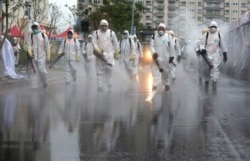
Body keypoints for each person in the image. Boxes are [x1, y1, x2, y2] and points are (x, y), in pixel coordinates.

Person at [92, 19, 119, 91]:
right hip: (100, 55)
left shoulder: (111, 33)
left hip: (109, 55)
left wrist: (117, 52)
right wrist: (97, 49)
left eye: (105, 26)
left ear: (108, 26)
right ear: (100, 26)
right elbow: (94, 42)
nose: (104, 27)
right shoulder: (96, 33)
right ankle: (100, 86)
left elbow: (116, 43)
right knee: (99, 71)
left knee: (109, 70)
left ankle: (109, 83)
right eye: (102, 26)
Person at [200, 21, 227, 91]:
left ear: (217, 27)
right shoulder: (205, 35)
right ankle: (206, 82)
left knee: (215, 69)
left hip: (216, 55)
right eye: (212, 26)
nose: (213, 28)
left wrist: (225, 54)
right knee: (206, 69)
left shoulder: (219, 35)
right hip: (207, 55)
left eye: (215, 27)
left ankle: (214, 83)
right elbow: (202, 44)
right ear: (209, 27)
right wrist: (202, 49)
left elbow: (223, 45)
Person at [150, 23, 175, 91]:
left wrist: (171, 56)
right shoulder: (154, 36)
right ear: (158, 29)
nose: (161, 30)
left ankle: (166, 83)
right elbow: (151, 46)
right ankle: (155, 84)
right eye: (159, 29)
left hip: (165, 57)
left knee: (165, 72)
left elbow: (172, 47)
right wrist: (153, 53)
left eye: (162, 29)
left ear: (165, 29)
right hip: (156, 58)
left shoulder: (168, 37)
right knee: (155, 71)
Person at [27, 22, 50, 88]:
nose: (34, 28)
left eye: (35, 27)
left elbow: (47, 46)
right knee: (34, 71)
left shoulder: (43, 35)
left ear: (38, 27)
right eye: (33, 27)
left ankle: (44, 82)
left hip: (42, 56)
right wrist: (29, 52)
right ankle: (33, 87)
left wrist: (48, 55)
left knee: (42, 71)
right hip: (34, 57)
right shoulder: (31, 36)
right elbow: (29, 45)